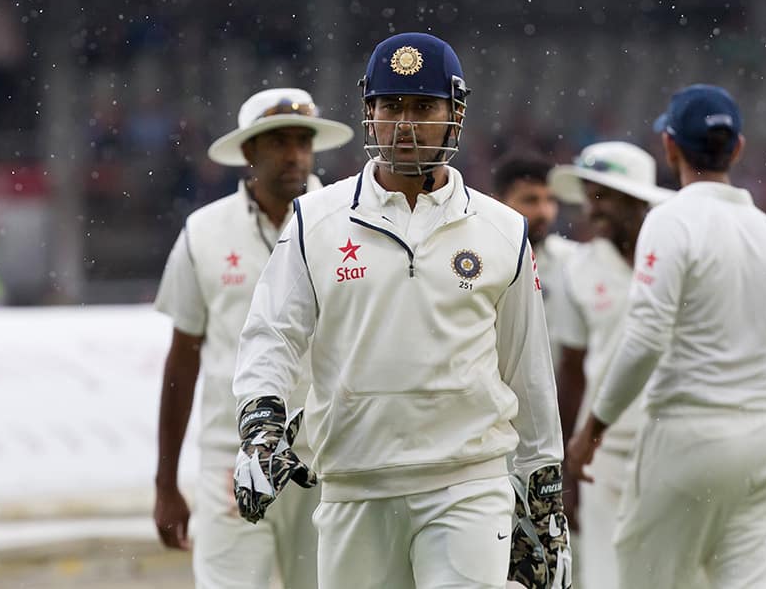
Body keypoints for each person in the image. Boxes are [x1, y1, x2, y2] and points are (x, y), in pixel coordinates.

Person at [232, 32, 571, 589]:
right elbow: (272, 333)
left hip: (468, 482)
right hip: (353, 483)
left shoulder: (502, 229)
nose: (405, 125)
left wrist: (543, 494)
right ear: (369, 112)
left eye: (423, 107)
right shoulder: (314, 219)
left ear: (455, 113)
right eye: (391, 106)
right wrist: (260, 425)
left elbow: (527, 370)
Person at [566, 85, 766, 589]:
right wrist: (757, 422)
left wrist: (593, 430)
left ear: (669, 147)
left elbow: (647, 337)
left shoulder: (671, 221)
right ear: (737, 148)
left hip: (688, 433)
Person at [153, 87, 353, 589]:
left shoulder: (349, 223)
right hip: (232, 458)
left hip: (325, 456)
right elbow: (182, 359)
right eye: (278, 142)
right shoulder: (203, 232)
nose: (295, 155)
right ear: (248, 152)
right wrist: (166, 481)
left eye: (303, 142)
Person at [547, 142, 672, 589]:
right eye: (587, 194)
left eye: (602, 196)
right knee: (606, 575)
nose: (590, 207)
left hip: (674, 440)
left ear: (636, 200)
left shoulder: (675, 257)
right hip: (603, 451)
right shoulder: (577, 269)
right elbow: (573, 372)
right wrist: (566, 464)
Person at [492, 152, 577, 371]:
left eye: (550, 200)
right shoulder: (480, 263)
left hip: (561, 397)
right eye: (530, 200)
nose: (544, 212)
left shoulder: (573, 261)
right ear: (497, 202)